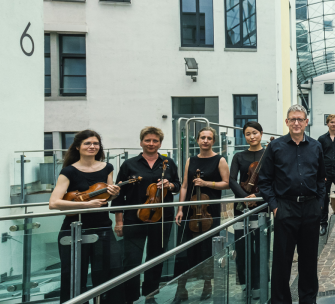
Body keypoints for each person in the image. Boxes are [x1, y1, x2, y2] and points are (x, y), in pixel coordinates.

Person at [257, 104, 326, 303]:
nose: (296, 123)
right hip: (285, 208)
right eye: (292, 119)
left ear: (306, 122)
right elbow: (264, 180)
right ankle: (280, 301)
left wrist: (320, 204)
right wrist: (275, 206)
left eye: (300, 119)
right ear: (287, 122)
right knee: (281, 261)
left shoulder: (316, 146)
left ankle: (308, 299)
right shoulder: (275, 146)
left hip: (311, 208)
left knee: (309, 260)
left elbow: (321, 179)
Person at [49, 130, 123, 303]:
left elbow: (108, 197)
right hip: (74, 230)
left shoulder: (107, 168)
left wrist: (115, 193)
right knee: (74, 275)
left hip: (103, 227)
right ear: (78, 147)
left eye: (95, 143)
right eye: (88, 143)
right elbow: (54, 203)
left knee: (108, 271)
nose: (92, 146)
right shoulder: (69, 171)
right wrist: (85, 204)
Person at [114, 126, 181, 304]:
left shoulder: (168, 163)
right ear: (141, 141)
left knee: (156, 257)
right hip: (133, 218)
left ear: (160, 143)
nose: (151, 144)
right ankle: (130, 297)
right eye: (148, 140)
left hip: (162, 217)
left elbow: (177, 185)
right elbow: (119, 193)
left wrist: (170, 185)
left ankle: (150, 295)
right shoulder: (129, 164)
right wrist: (119, 220)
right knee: (131, 259)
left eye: (155, 141)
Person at [173, 127, 230, 303]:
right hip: (190, 211)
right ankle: (180, 288)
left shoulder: (220, 160)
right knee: (183, 249)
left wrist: (206, 183)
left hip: (209, 212)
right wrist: (181, 208)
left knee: (207, 249)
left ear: (213, 141)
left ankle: (207, 284)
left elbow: (227, 184)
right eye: (202, 138)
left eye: (209, 138)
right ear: (197, 140)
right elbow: (184, 185)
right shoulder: (191, 160)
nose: (205, 141)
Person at [228, 122, 271, 298]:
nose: (252, 137)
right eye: (248, 134)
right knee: (242, 246)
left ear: (261, 133)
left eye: (255, 133)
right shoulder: (239, 156)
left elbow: (273, 179)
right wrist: (244, 197)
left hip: (261, 203)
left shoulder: (268, 154)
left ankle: (260, 283)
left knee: (262, 246)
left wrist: (259, 195)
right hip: (242, 205)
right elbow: (232, 180)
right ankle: (246, 283)